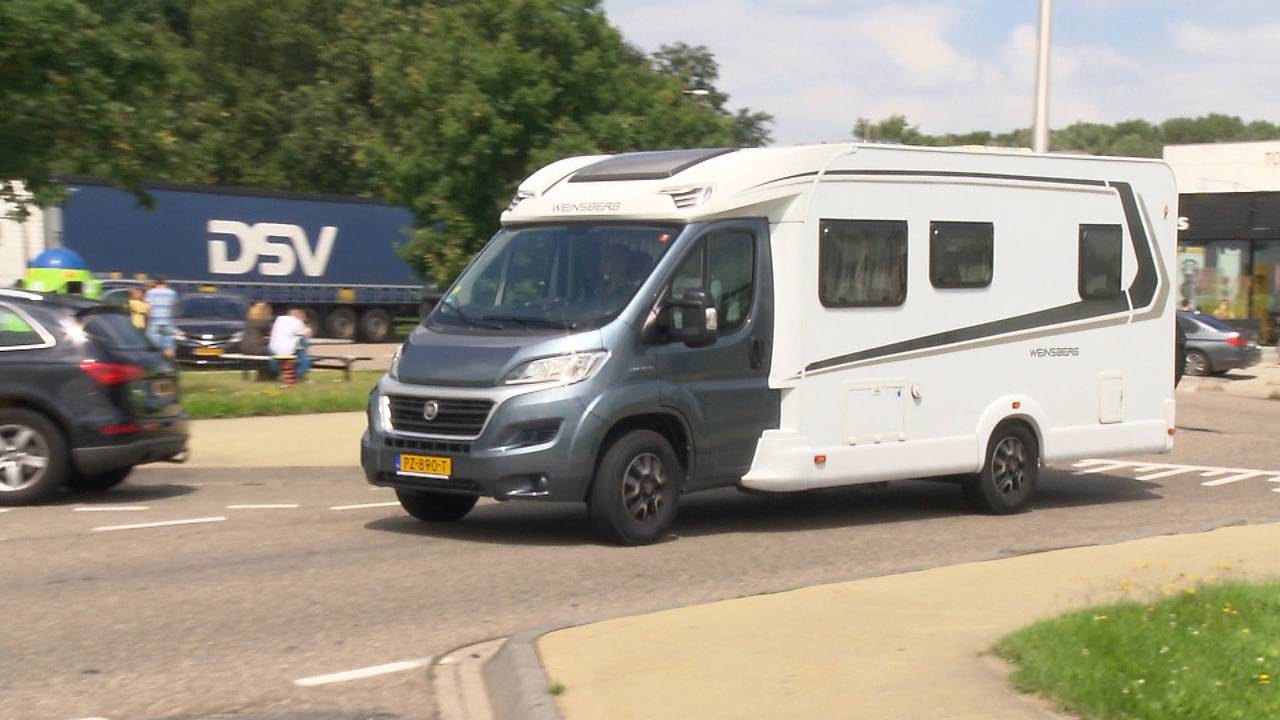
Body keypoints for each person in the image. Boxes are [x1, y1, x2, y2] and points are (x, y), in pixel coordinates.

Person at [268, 308, 313, 380]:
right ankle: (298, 374)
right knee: (304, 353)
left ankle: (283, 373)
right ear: (300, 316)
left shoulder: (279, 320)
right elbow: (306, 334)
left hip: (273, 351)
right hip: (288, 352)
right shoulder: (297, 322)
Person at [144, 275, 178, 358]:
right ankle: (170, 365)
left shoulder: (150, 293)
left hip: (154, 322)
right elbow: (174, 308)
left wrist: (147, 321)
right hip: (167, 322)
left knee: (153, 347)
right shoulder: (172, 293)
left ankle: (156, 366)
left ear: (156, 283)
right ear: (165, 283)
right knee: (169, 346)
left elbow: (148, 308)